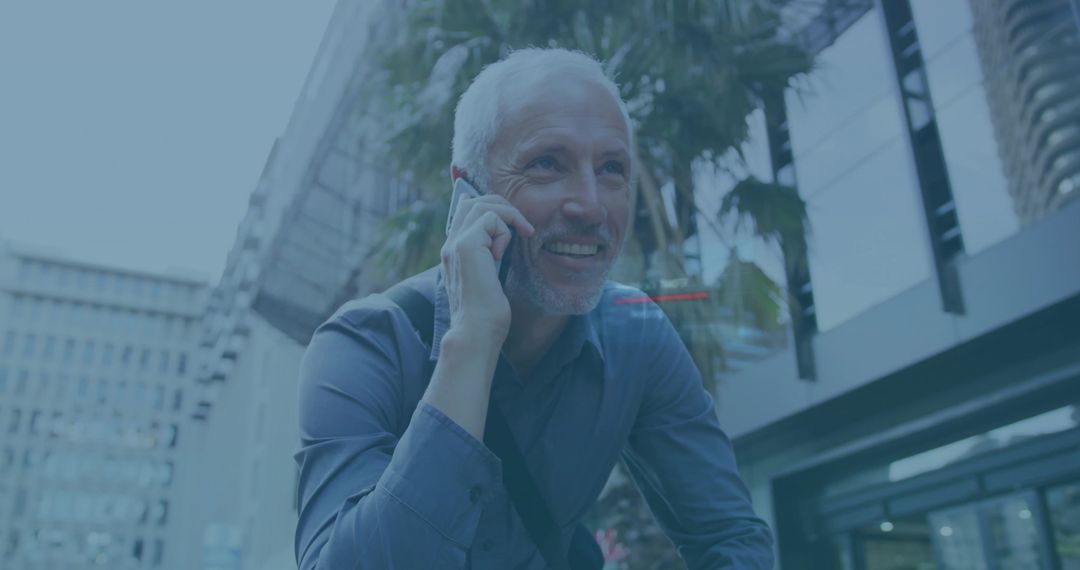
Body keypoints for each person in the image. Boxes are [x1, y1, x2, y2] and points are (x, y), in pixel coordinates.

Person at [294, 48, 774, 569]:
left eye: (612, 169)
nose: (591, 206)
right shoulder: (364, 343)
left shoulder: (637, 334)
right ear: (467, 191)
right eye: (547, 164)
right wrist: (472, 341)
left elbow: (731, 537)